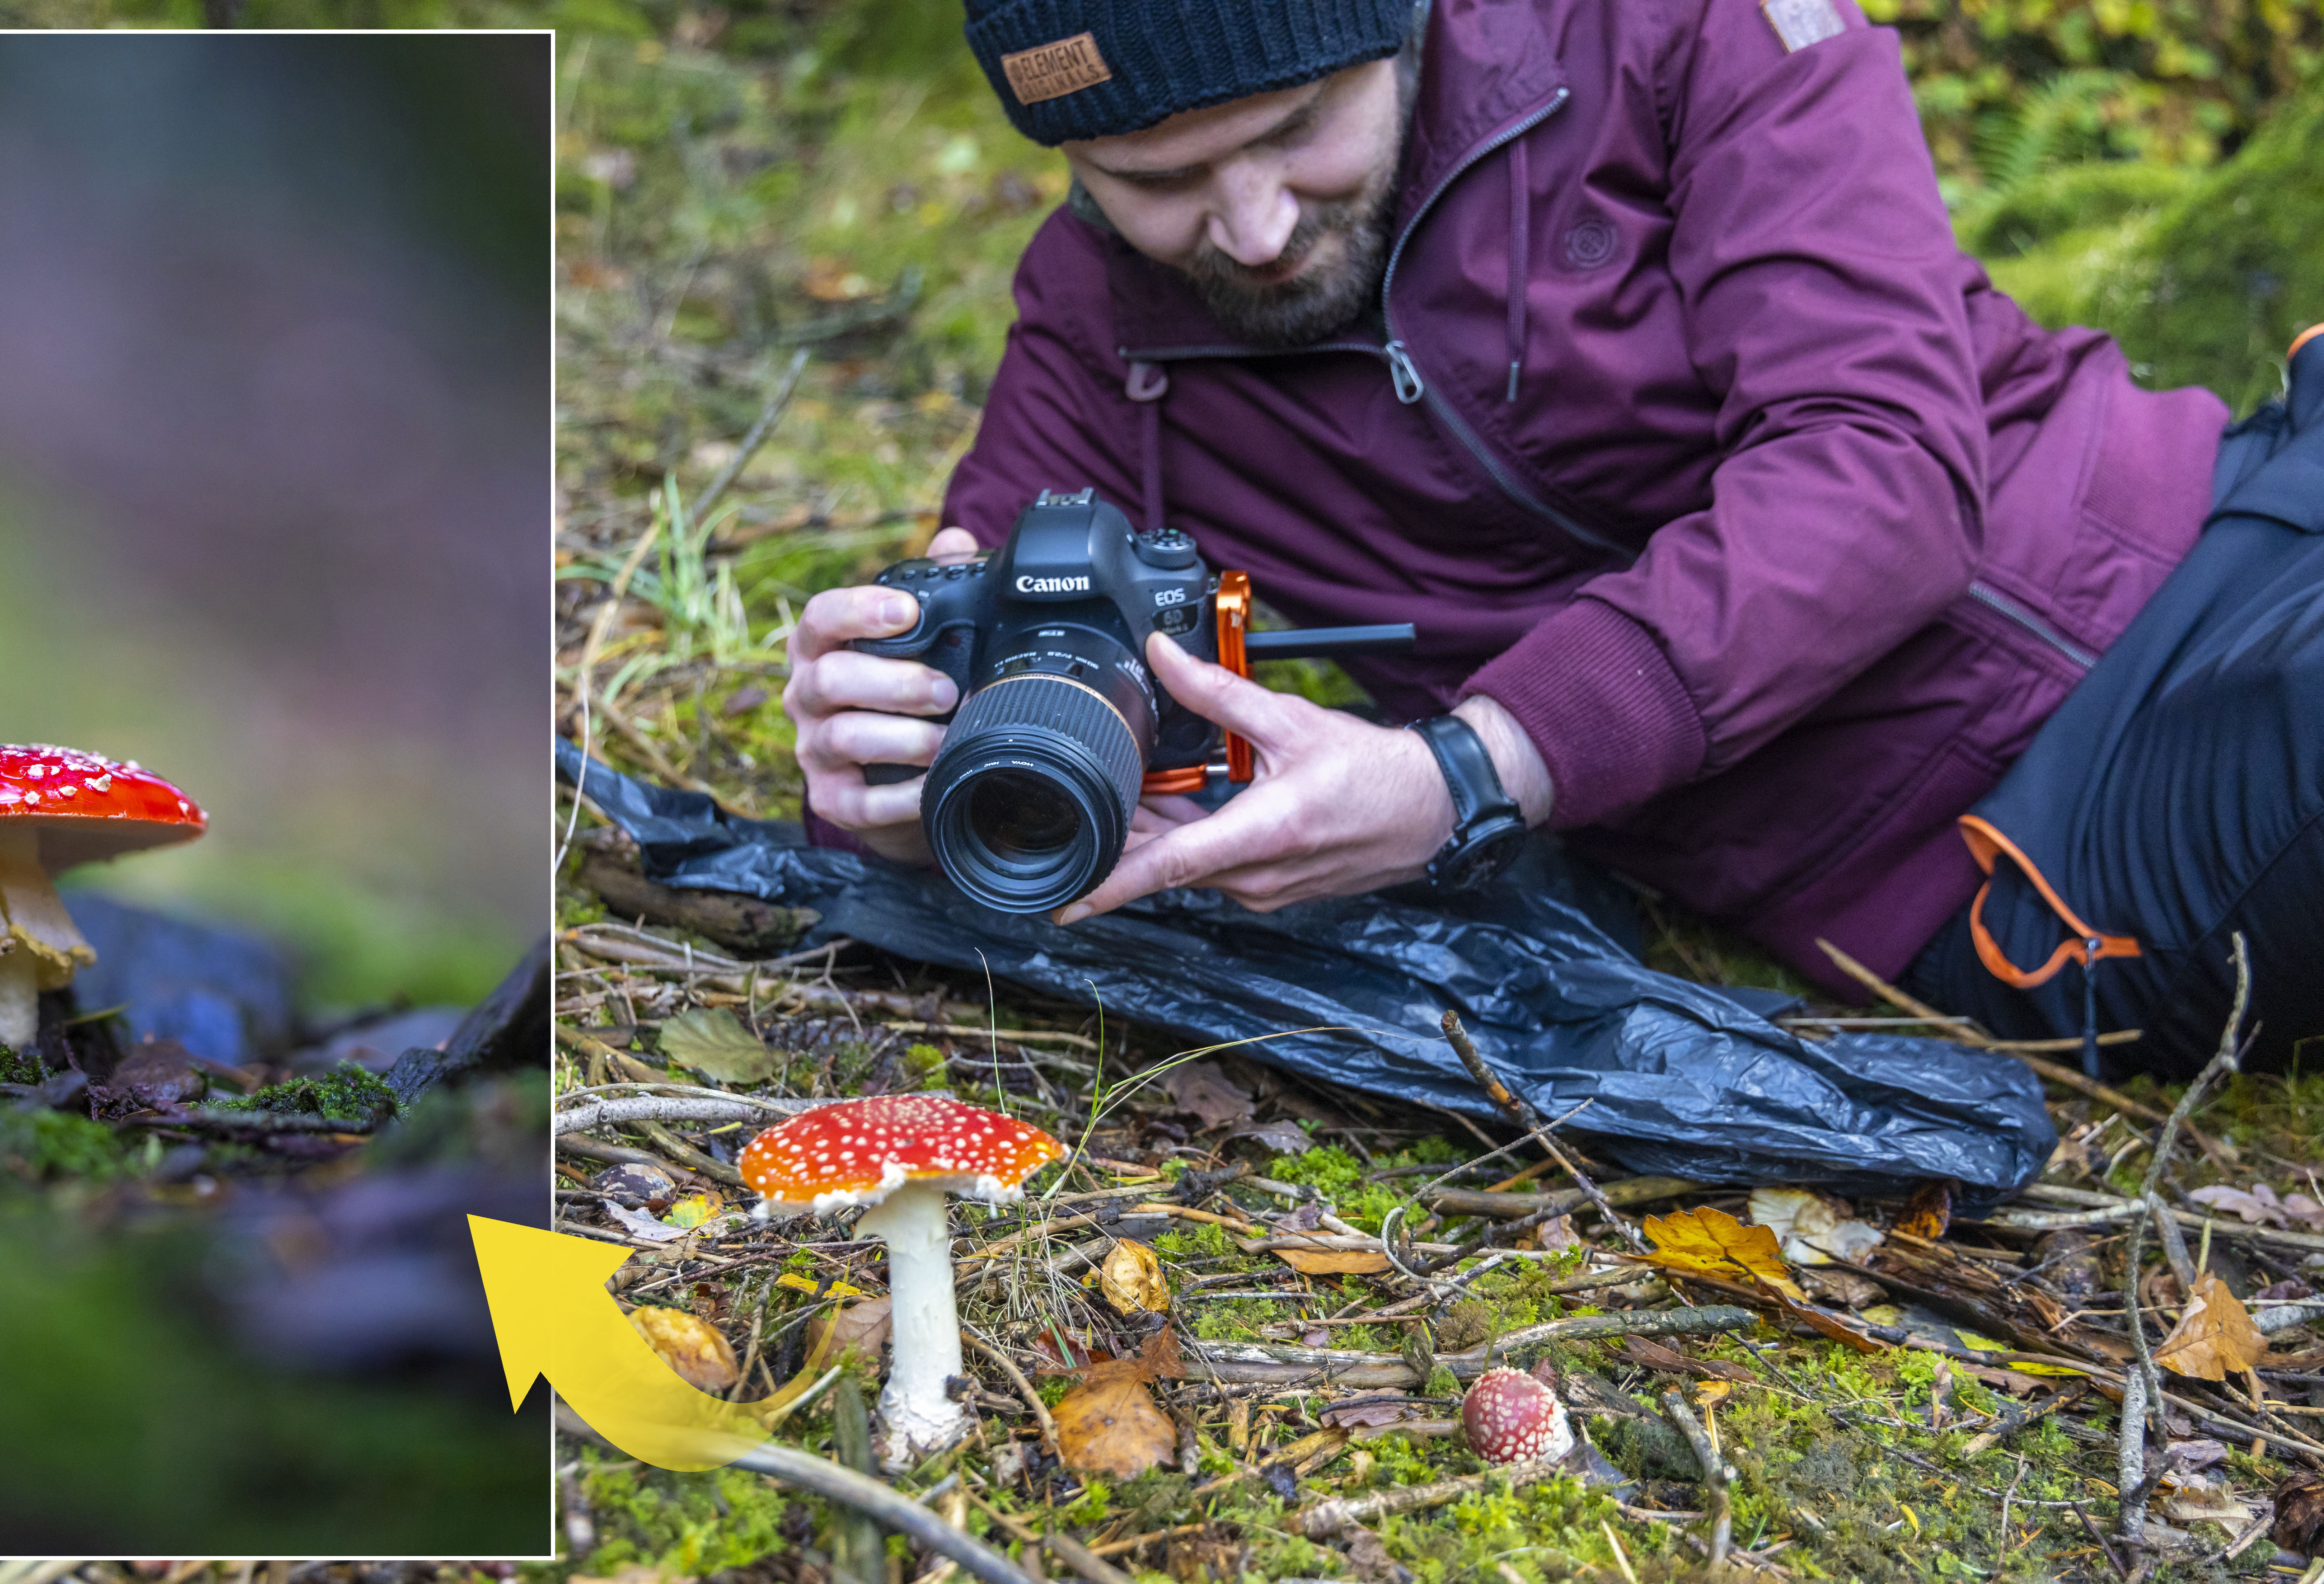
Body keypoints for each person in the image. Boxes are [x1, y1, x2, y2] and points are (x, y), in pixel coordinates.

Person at [780, 0, 2323, 1076]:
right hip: (2022, 823)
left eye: (1298, 131)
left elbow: (1879, 466)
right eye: (1152, 181)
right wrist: (889, 763)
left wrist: (1462, 770)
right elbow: (989, 665)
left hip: (2227, 500)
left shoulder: (1666, 27)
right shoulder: (1097, 327)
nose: (1247, 229)